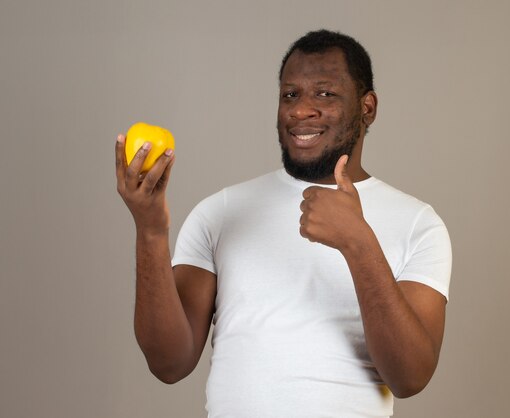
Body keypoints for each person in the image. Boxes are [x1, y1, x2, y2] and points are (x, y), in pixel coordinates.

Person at [115, 29, 452, 418]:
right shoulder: (221, 212)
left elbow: (410, 377)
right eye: (290, 94)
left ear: (367, 107)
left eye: (324, 94)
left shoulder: (418, 224)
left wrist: (359, 244)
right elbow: (168, 363)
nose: (300, 110)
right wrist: (151, 230)